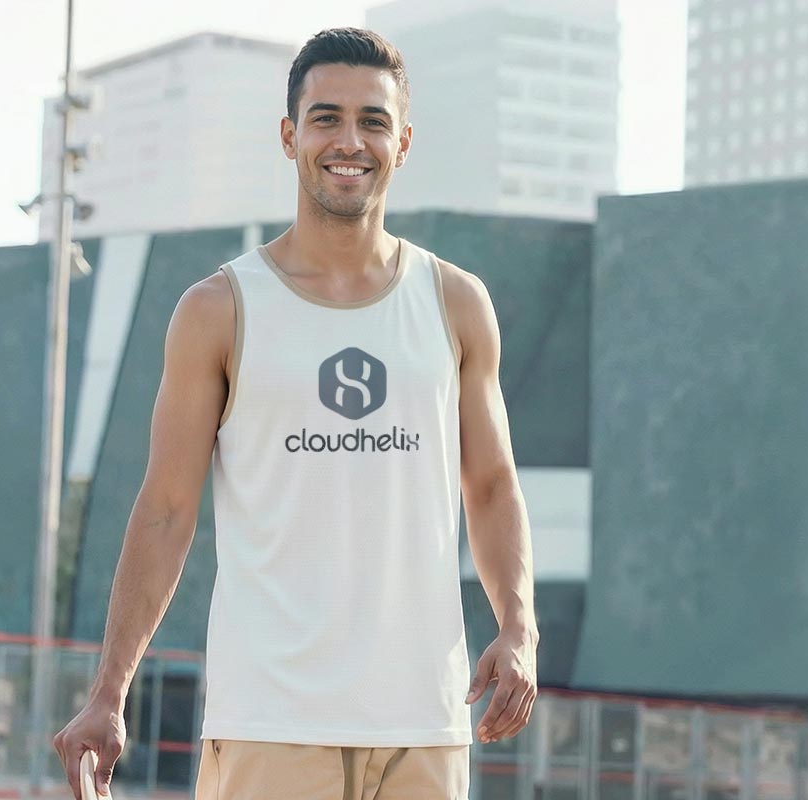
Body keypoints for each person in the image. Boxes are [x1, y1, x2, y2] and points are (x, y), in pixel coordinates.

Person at [53, 26, 538, 800]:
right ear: (289, 136)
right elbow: (167, 509)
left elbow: (492, 486)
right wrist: (109, 693)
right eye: (326, 118)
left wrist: (518, 626)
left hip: (424, 724)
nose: (350, 141)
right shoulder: (219, 309)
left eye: (373, 121)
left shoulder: (456, 303)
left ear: (403, 142)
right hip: (269, 722)